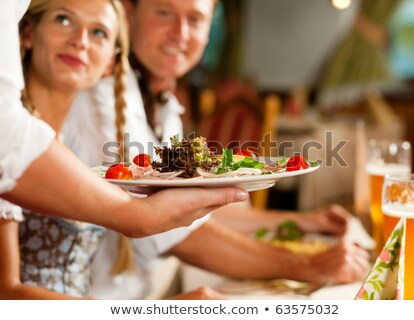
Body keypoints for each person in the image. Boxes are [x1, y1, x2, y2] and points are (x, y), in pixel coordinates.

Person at [64, 0, 370, 299]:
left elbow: (193, 211)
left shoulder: (165, 105)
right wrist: (308, 265)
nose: (180, 32)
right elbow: (173, 234)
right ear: (129, 15)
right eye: (164, 12)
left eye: (195, 19)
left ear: (210, 28)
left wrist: (302, 222)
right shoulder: (100, 100)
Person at [0, 0, 247, 300]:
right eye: (64, 20)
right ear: (27, 33)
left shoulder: (65, 145)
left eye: (99, 33)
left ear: (110, 63)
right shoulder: (15, 149)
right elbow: (6, 292)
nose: (80, 41)